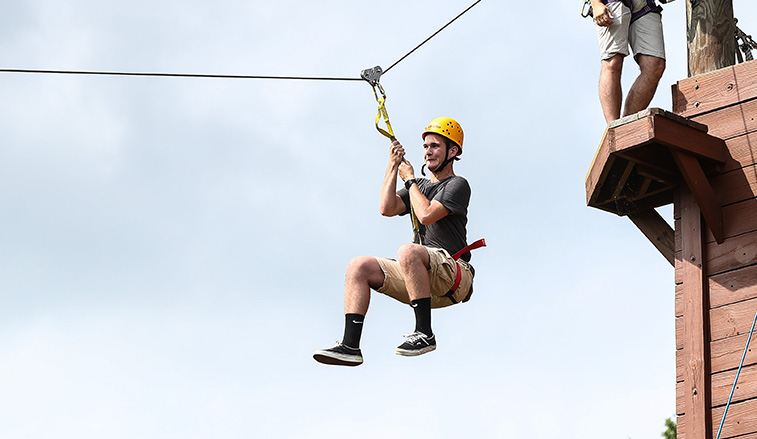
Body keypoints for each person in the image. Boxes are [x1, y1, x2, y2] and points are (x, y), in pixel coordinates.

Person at [313, 117, 479, 367]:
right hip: (423, 279)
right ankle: (350, 345)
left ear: (452, 151)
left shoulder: (457, 185)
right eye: (425, 147)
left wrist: (410, 180)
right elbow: (387, 208)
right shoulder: (420, 186)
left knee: (408, 251)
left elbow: (426, 214)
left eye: (435, 146)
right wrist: (393, 166)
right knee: (360, 265)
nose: (428, 152)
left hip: (454, 275)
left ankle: (424, 333)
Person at [590, 0, 667, 123]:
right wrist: (596, 4)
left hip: (643, 4)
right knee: (613, 62)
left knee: (654, 65)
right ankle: (613, 128)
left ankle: (626, 126)